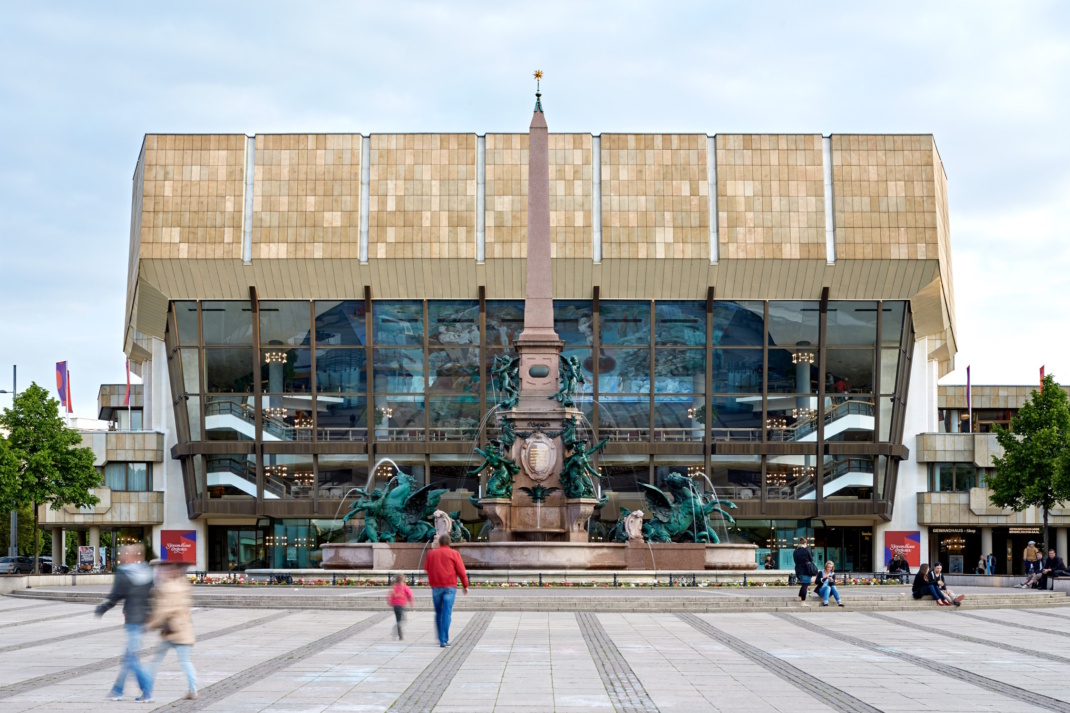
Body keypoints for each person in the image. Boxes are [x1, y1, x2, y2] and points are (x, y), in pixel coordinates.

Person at [95, 544, 155, 702]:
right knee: (129, 657)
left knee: (131, 659)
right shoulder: (148, 573)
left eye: (122, 556)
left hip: (133, 620)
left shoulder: (124, 573)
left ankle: (146, 690)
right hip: (143, 619)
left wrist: (102, 608)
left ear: (129, 557)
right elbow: (152, 596)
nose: (121, 558)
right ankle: (117, 690)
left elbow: (116, 595)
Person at [146, 561, 197, 700]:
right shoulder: (184, 585)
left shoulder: (167, 587)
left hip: (171, 632)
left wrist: (150, 625)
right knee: (186, 661)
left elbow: (164, 611)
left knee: (156, 661)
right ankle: (193, 689)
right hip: (184, 629)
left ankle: (146, 689)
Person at [422, 534, 469, 647]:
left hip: (436, 587)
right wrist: (465, 585)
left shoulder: (431, 554)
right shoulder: (454, 554)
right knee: (446, 613)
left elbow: (426, 570)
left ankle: (440, 638)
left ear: (440, 542)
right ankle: (444, 639)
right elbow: (461, 571)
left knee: (438, 613)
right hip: (450, 587)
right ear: (449, 542)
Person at [388, 574, 414, 639]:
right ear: (402, 580)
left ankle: (400, 635)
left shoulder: (394, 587)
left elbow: (389, 595)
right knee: (404, 620)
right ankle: (396, 627)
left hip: (395, 606)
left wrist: (390, 602)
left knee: (398, 619)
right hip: (401, 605)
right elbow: (410, 595)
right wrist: (411, 603)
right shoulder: (405, 587)